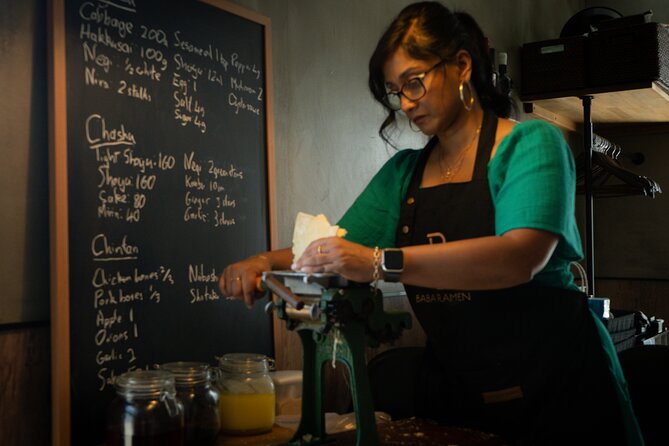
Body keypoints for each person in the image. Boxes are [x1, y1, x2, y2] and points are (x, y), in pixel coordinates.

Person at [220, 2, 644, 444]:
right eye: (394, 91)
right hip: (459, 394)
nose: (405, 103)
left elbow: (519, 258)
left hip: (561, 392)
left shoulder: (529, 145)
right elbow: (331, 246)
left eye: (414, 83)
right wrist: (262, 261)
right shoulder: (405, 173)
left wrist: (382, 263)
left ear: (461, 65)